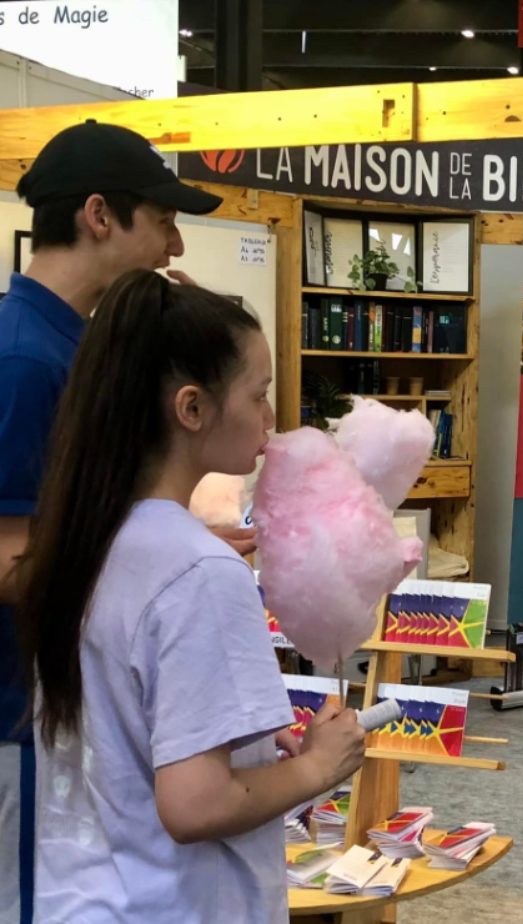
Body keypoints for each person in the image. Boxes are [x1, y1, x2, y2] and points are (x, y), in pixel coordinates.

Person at [15, 270, 365, 921]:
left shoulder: (85, 537)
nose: (270, 419)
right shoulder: (200, 569)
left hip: (84, 892)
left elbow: (131, 734)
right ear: (192, 407)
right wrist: (319, 766)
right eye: (258, 395)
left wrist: (253, 749)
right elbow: (197, 804)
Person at [0, 120, 245, 924]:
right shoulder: (27, 361)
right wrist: (164, 569)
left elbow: (80, 532)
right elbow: (10, 562)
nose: (175, 246)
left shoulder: (75, 349)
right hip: (19, 724)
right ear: (100, 215)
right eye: (163, 220)